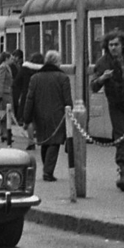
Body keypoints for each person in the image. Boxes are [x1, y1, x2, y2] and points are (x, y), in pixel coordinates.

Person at [91, 33, 124, 192]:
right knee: (121, 136)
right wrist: (102, 78)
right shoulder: (103, 62)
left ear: (123, 45)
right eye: (110, 45)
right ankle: (123, 175)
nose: (113, 48)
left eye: (116, 45)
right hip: (115, 104)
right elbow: (93, 86)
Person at [19, 48, 74, 183]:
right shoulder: (63, 78)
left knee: (44, 141)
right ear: (56, 62)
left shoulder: (35, 77)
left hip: (40, 115)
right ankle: (48, 172)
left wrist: (26, 117)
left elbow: (29, 99)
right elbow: (67, 100)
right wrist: (70, 114)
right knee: (54, 143)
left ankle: (47, 168)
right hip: (58, 115)